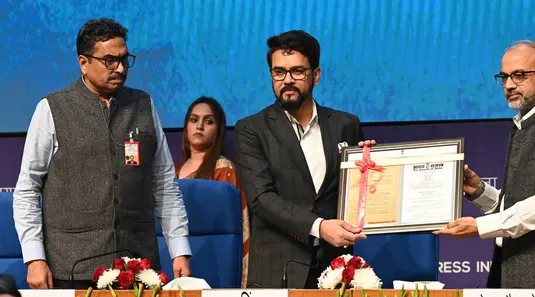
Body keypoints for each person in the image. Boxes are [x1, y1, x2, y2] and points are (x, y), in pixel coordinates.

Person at [12, 18, 192, 289]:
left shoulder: (143, 104)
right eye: (109, 60)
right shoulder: (51, 108)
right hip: (71, 269)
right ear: (83, 62)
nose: (120, 68)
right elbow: (27, 189)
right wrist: (34, 258)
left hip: (139, 269)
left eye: (124, 59)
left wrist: (179, 249)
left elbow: (165, 184)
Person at [434, 40, 535, 288]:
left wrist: (481, 226)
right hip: (510, 267)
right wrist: (480, 192)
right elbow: (517, 204)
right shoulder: (522, 125)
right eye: (504, 77)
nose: (509, 85)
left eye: (519, 75)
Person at [234, 29, 372, 289]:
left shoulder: (346, 125)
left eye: (297, 71)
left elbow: (356, 194)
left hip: (337, 271)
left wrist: (371, 169)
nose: (287, 80)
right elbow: (261, 199)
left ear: (316, 75)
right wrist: (319, 227)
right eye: (279, 72)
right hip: (278, 272)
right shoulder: (251, 129)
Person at [176, 96, 250, 288]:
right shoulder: (171, 173)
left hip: (214, 260)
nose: (199, 126)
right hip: (176, 260)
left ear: (218, 130)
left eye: (208, 121)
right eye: (194, 120)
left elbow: (239, 228)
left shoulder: (223, 169)